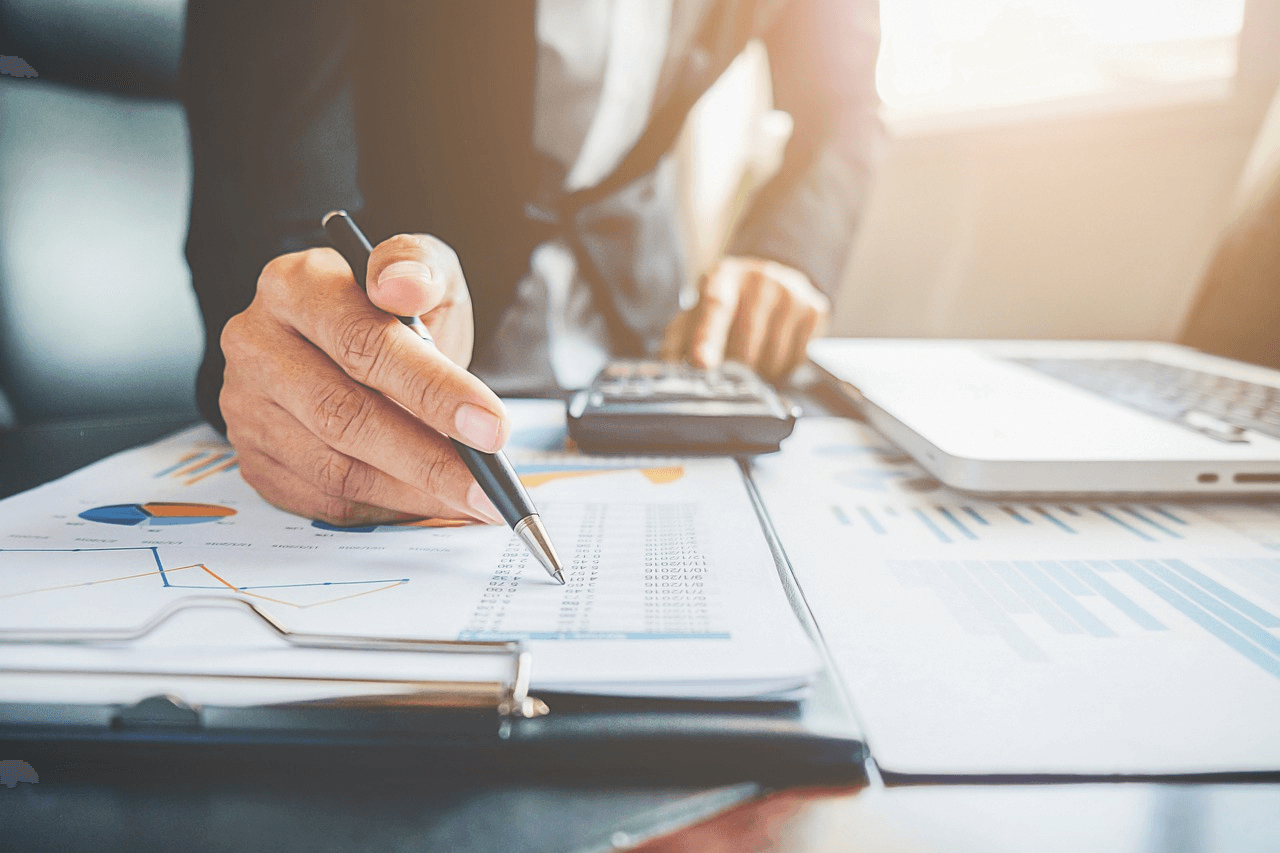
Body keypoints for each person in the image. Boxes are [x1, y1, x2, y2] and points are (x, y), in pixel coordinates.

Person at [180, 0, 882, 527]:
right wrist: (302, 337)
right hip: (408, 341)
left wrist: (789, 254)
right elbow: (267, 162)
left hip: (647, 349)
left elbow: (843, 102)